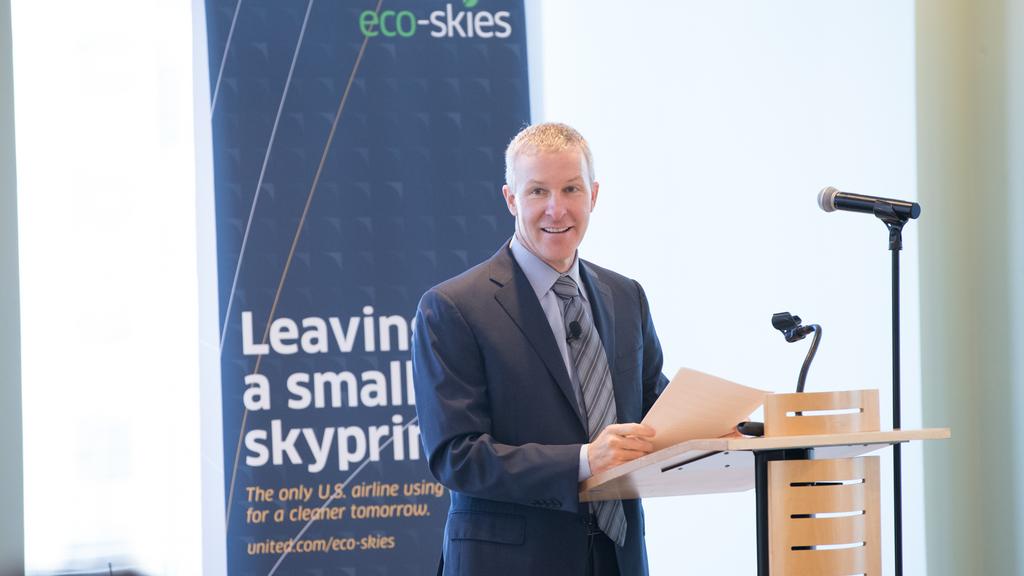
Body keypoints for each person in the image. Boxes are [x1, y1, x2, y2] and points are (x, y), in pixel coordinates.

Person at [412, 123, 669, 576]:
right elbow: (457, 456)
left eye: (571, 189)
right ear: (511, 199)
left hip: (618, 558)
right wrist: (584, 460)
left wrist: (732, 426)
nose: (557, 208)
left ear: (593, 195)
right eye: (537, 191)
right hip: (509, 563)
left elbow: (654, 407)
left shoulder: (626, 296)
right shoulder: (453, 308)